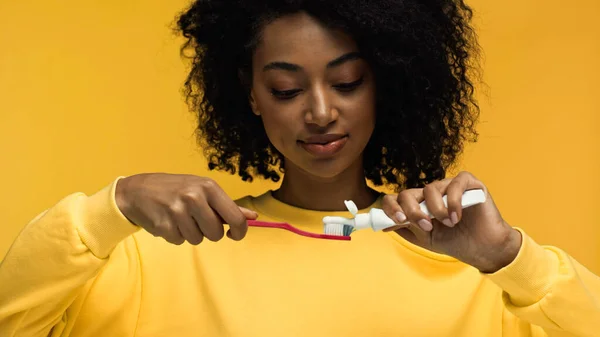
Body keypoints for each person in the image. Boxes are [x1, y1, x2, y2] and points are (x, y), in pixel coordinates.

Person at [0, 0, 598, 336]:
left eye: (346, 82)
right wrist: (114, 206)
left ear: (385, 83)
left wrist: (509, 260)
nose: (319, 111)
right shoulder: (154, 259)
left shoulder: (476, 272)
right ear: (250, 93)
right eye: (287, 89)